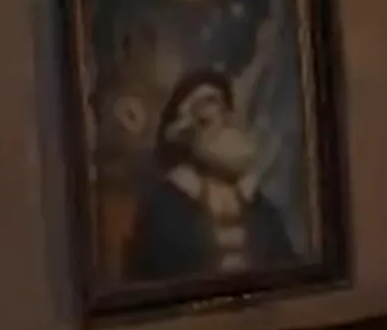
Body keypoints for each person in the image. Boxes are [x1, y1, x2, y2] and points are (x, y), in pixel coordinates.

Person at [122, 68, 303, 284]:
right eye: (206, 106)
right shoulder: (162, 209)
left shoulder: (261, 210)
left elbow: (288, 272)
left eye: (224, 107)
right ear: (184, 131)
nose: (221, 117)